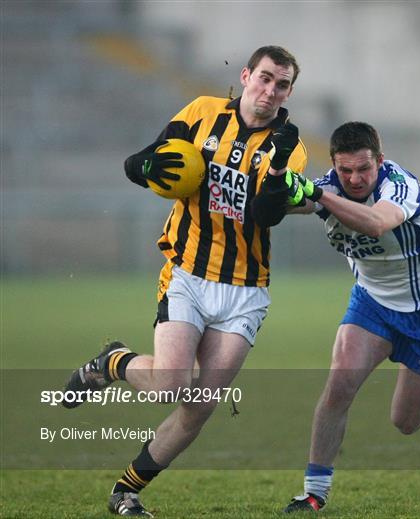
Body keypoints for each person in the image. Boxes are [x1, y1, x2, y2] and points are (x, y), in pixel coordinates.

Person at [62, 45, 307, 517]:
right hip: (188, 274)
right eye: (265, 78)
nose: (270, 90)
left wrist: (276, 172)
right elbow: (141, 162)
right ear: (246, 75)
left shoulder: (290, 146)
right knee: (170, 386)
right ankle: (112, 362)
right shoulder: (201, 113)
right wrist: (147, 168)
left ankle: (125, 492)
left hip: (244, 291)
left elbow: (264, 214)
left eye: (282, 84)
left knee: (199, 405)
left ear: (289, 91)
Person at [252, 121, 420, 513]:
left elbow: (375, 223)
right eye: (344, 170)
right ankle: (315, 493)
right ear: (334, 164)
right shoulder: (329, 185)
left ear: (379, 161)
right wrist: (278, 179)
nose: (354, 179)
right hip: (372, 303)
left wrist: (314, 194)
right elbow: (277, 205)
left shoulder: (401, 187)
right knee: (339, 386)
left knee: (405, 421)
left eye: (363, 169)